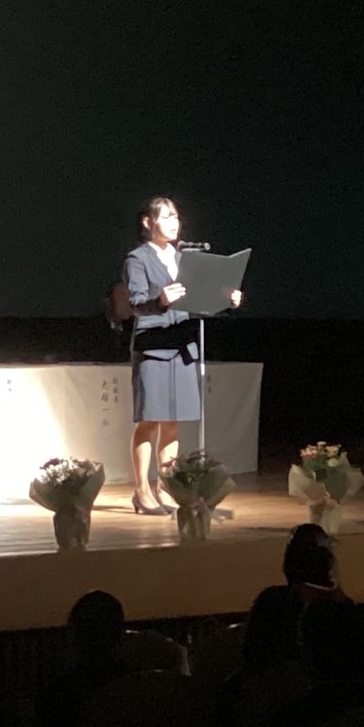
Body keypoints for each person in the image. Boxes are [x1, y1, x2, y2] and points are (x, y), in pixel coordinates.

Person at [123, 196, 241, 514]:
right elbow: (135, 303)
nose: (174, 223)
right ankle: (142, 491)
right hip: (155, 348)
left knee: (173, 423)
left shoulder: (184, 260)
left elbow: (200, 303)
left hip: (183, 348)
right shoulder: (137, 259)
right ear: (148, 222)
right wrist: (159, 300)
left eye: (176, 217)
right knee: (149, 421)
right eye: (166, 217)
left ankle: (166, 487)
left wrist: (226, 301)